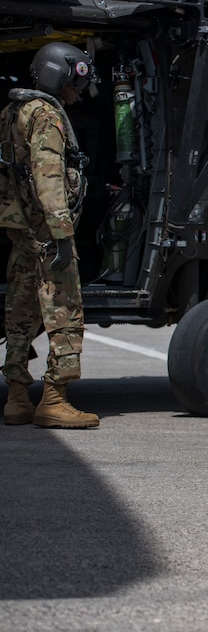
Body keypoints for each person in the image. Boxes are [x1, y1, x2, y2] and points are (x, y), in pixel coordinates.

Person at [0, 42, 98, 428]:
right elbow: (48, 176)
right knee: (65, 311)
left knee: (20, 311)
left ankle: (17, 398)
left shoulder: (11, 112)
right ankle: (55, 399)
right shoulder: (45, 116)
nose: (76, 94)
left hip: (21, 229)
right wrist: (61, 232)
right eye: (75, 83)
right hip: (46, 229)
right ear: (60, 75)